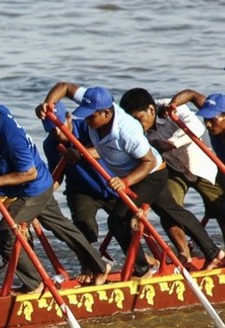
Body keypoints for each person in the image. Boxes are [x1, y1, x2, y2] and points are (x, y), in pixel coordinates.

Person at [37, 83, 224, 277]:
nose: (86, 119)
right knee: (174, 212)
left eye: (91, 115)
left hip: (150, 175)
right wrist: (48, 103)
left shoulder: (126, 131)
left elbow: (149, 162)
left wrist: (125, 182)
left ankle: (142, 267)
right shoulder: (97, 105)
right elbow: (65, 87)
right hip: (138, 174)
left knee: (117, 221)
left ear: (106, 114)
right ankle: (213, 252)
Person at [0, 88, 111, 293]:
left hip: (32, 187)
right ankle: (100, 265)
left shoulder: (11, 139)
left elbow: (29, 173)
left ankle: (34, 283)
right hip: (34, 183)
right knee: (62, 228)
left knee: (3, 235)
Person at [120, 87, 225, 265]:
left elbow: (196, 126)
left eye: (139, 119)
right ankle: (184, 255)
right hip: (174, 170)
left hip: (202, 167)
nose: (137, 125)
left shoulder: (171, 110)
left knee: (222, 208)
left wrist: (171, 143)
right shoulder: (135, 130)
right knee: (169, 208)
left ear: (151, 110)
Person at [40, 101, 118, 245]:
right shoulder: (50, 144)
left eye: (59, 126)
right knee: (85, 231)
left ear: (69, 117)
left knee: (123, 227)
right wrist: (41, 193)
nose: (57, 133)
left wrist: (81, 153)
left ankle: (143, 263)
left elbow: (109, 149)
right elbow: (57, 177)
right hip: (81, 191)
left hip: (111, 185)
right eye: (51, 130)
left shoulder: (89, 127)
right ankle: (92, 264)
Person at [169, 90, 225, 161]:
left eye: (212, 119)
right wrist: (171, 106)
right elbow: (192, 95)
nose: (208, 124)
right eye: (206, 117)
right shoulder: (212, 109)